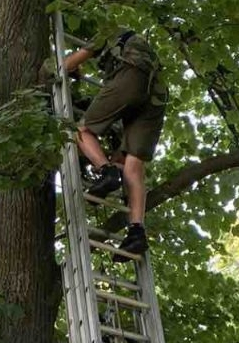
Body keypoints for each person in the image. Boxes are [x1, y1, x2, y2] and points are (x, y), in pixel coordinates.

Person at [62, 29, 167, 261]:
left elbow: (66, 64)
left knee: (81, 131)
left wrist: (69, 67)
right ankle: (137, 231)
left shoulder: (108, 31)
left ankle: (106, 171)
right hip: (156, 94)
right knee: (133, 164)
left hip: (131, 77)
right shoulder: (143, 50)